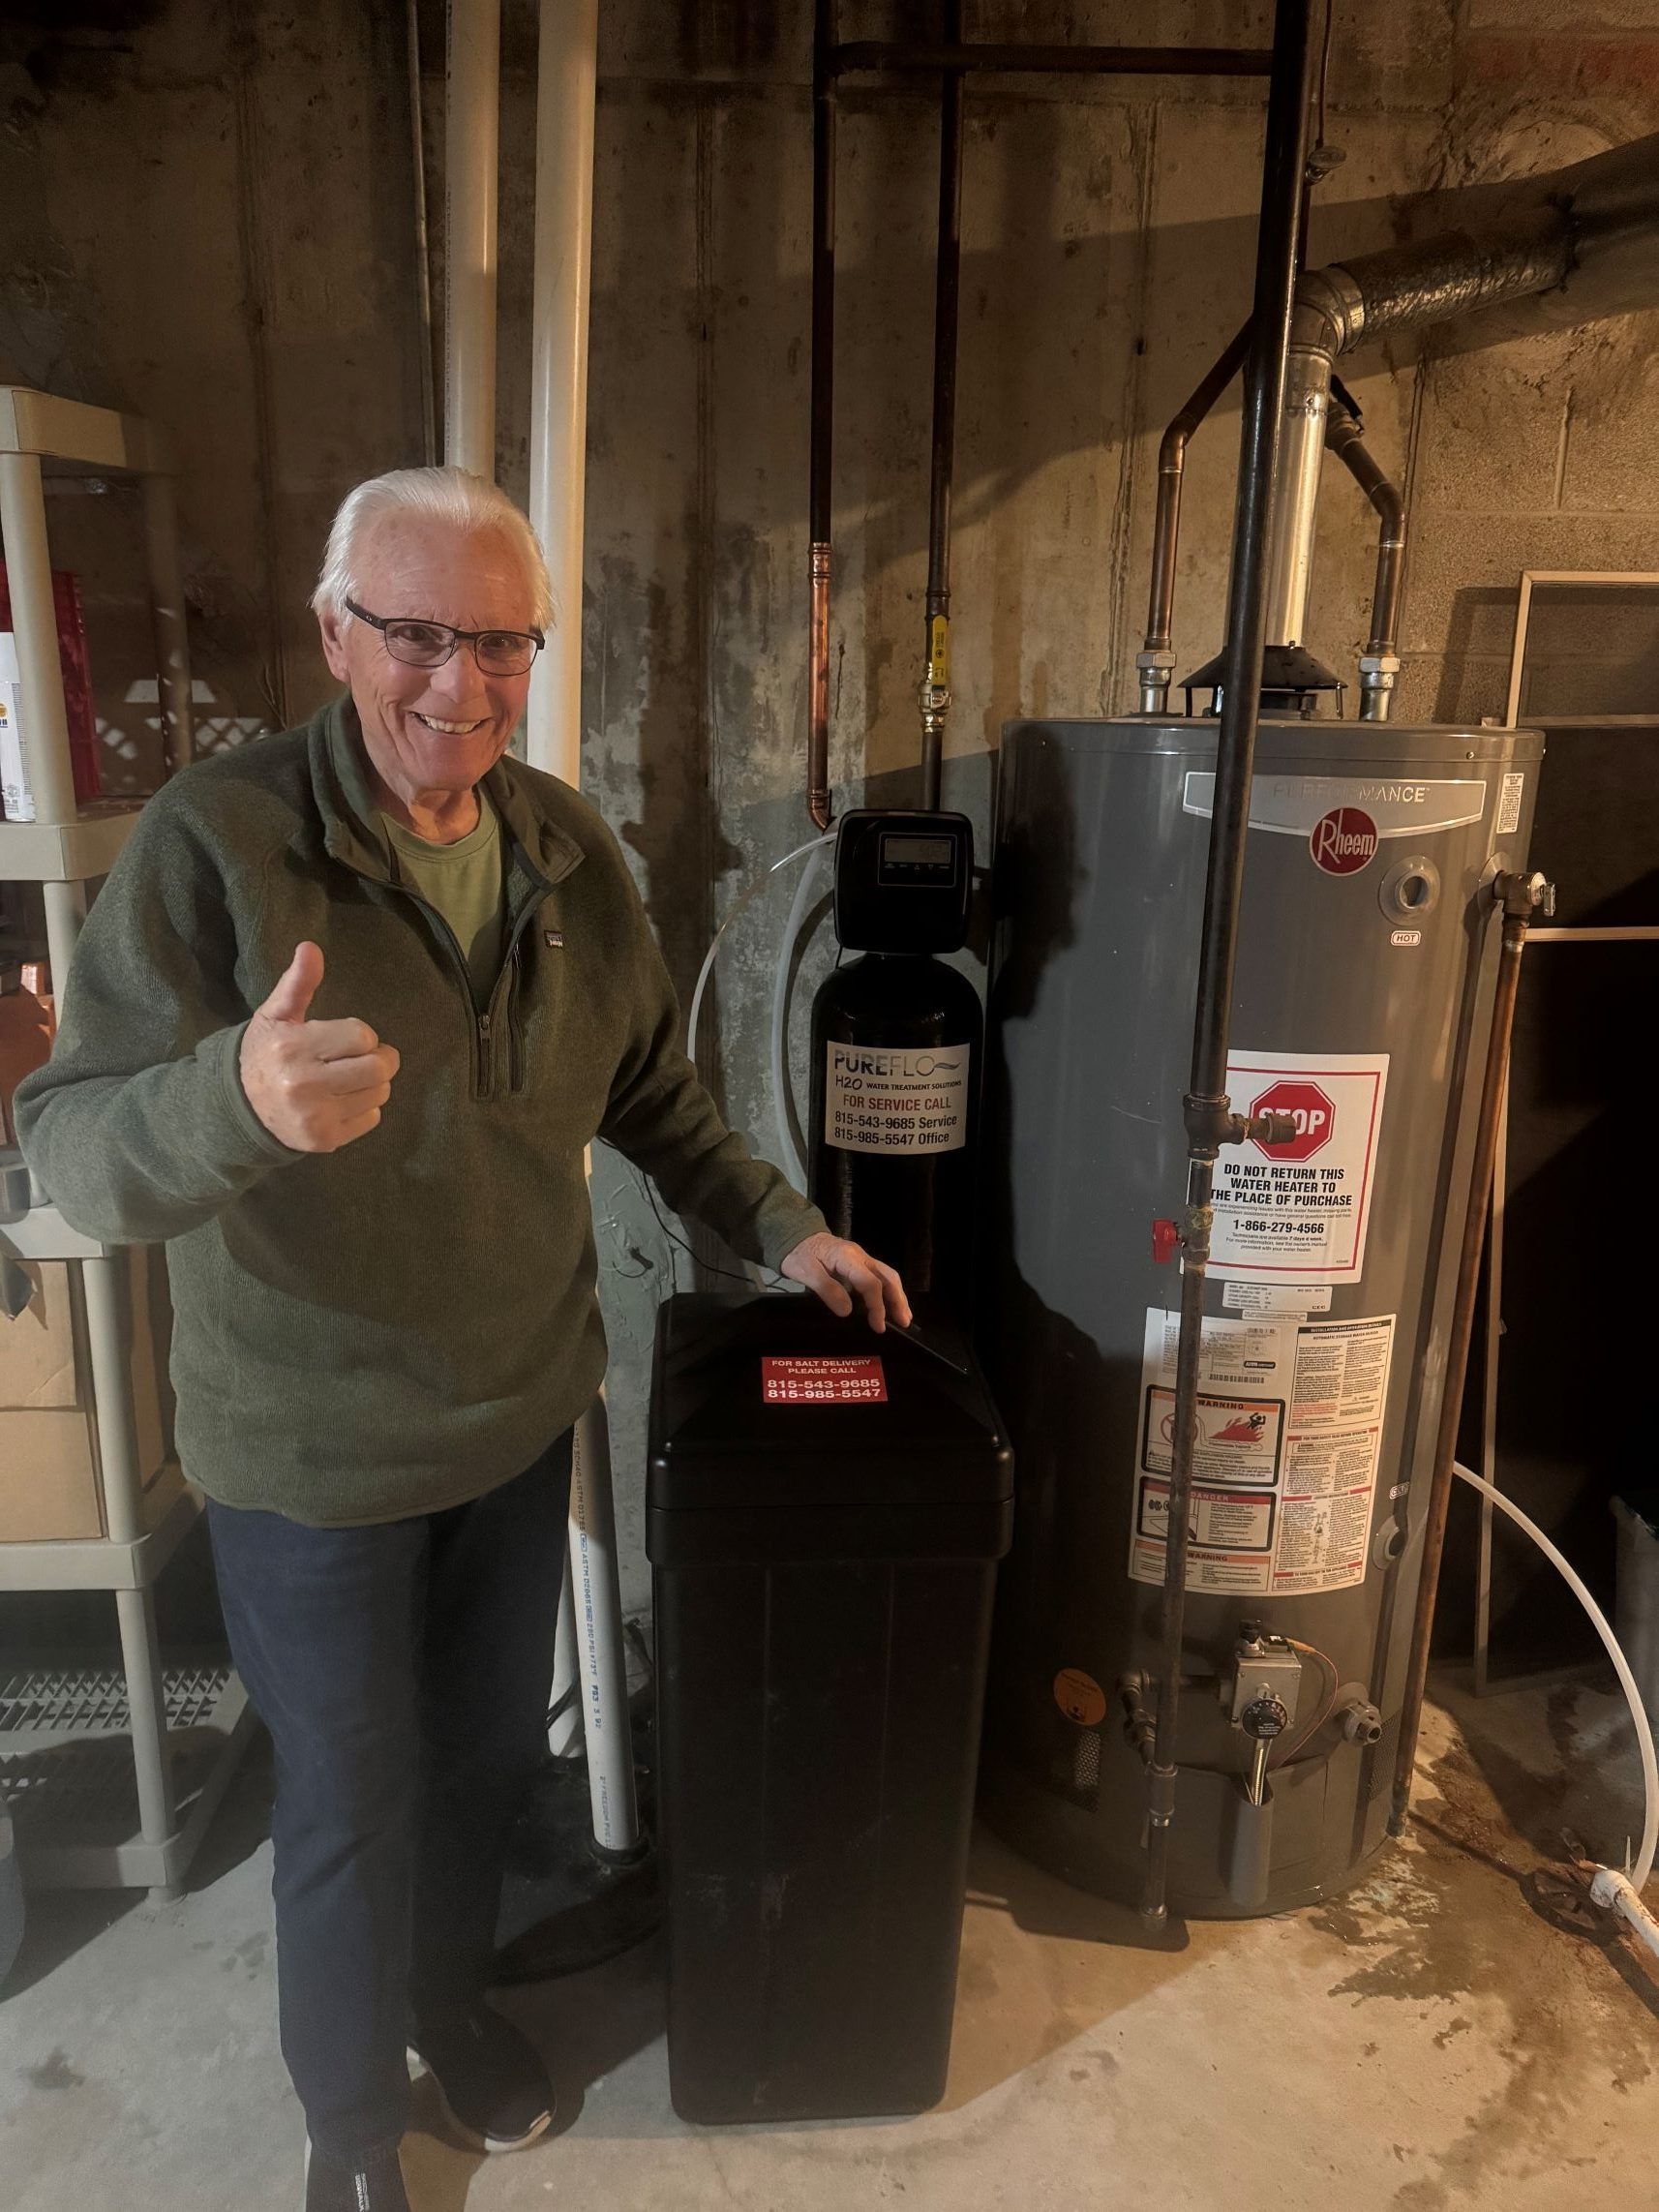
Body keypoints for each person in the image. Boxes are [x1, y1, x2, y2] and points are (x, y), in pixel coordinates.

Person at [14, 467, 909, 2211]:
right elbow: (69, 1147)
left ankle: (446, 1998)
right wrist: (234, 1097)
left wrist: (780, 1224)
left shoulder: (566, 846)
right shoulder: (219, 839)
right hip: (310, 1454)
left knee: (484, 1764)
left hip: (513, 1417)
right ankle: (348, 2126)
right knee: (349, 1798)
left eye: (502, 641)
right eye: (419, 633)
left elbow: (649, 1085)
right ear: (337, 630)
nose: (462, 682)